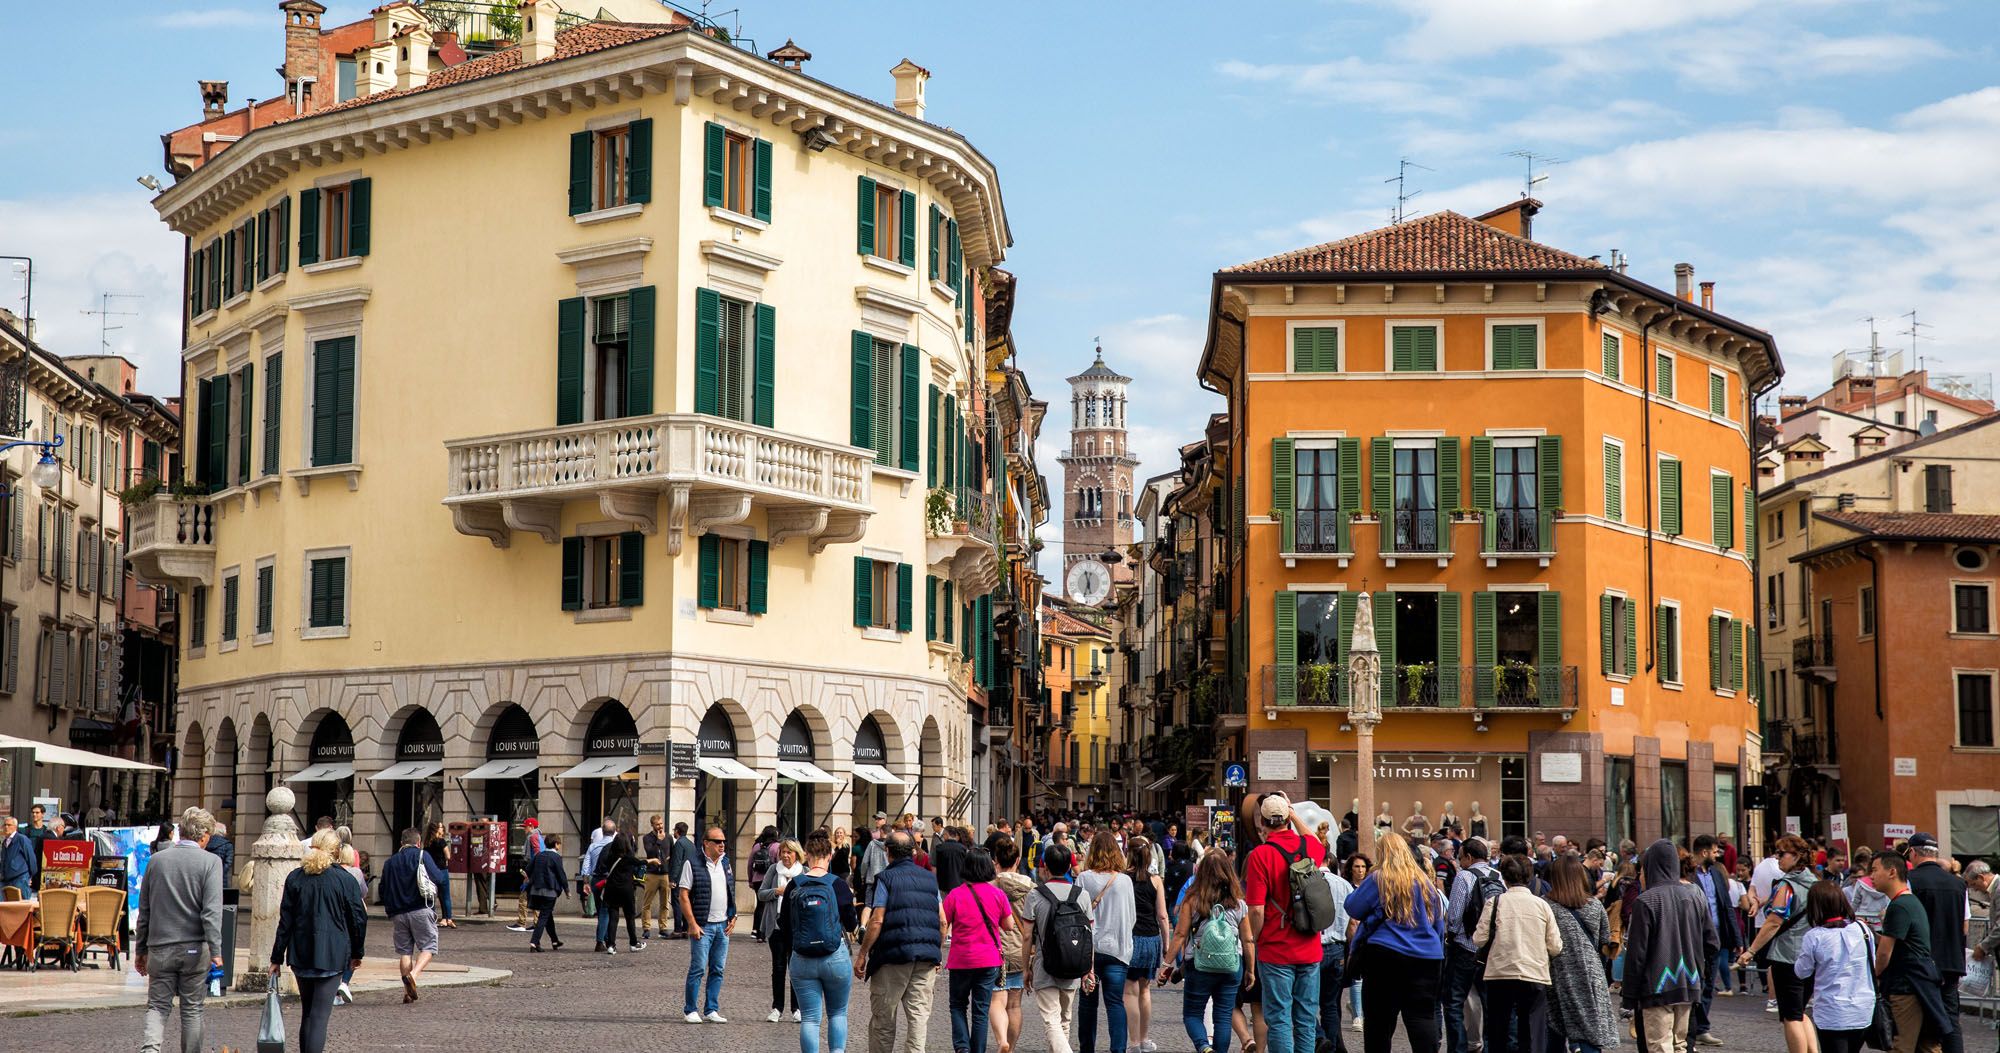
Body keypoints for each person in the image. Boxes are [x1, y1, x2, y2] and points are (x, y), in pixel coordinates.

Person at [1343, 831, 1446, 1053]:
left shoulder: (1379, 878)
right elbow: (1438, 925)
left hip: (1386, 954)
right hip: (1427, 958)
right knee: (1422, 1018)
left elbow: (1353, 907)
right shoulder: (1425, 883)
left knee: (1379, 1023)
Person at [1243, 792, 1327, 1053]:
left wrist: (1256, 939)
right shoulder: (1309, 847)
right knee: (1305, 1018)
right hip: (1310, 947)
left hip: (1276, 948)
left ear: (1264, 822)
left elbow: (1256, 909)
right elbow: (1315, 841)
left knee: (1278, 1017)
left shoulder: (1260, 855)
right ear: (1287, 819)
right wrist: (1293, 814)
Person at [137, 807, 225, 1053]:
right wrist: (216, 951)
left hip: (160, 946)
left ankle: (150, 1050)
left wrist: (140, 950)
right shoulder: (211, 862)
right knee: (193, 1008)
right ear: (204, 835)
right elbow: (211, 912)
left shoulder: (156, 861)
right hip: (195, 948)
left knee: (157, 1006)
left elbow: (145, 911)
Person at [270, 830, 367, 1053]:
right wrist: (357, 953)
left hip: (301, 953)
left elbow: (285, 922)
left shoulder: (295, 877)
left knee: (308, 1013)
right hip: (332, 954)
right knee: (319, 1016)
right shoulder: (345, 880)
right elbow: (358, 919)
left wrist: (276, 957)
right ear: (335, 851)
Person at [1625, 839, 1718, 1053]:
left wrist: (1629, 996)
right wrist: (1699, 971)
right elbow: (1712, 943)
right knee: (1680, 1046)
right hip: (1688, 984)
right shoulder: (1696, 895)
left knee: (1660, 1047)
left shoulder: (1646, 900)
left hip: (1656, 986)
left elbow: (1637, 954)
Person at [856, 830, 944, 1053]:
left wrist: (862, 954)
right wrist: (937, 951)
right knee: (918, 1019)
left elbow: (877, 920)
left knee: (883, 1020)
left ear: (888, 852)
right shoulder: (930, 879)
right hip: (925, 957)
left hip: (892, 956)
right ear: (913, 852)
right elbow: (942, 921)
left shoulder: (886, 878)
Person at [1160, 850, 1254, 1053]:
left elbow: (1179, 935)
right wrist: (1251, 970)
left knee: (1192, 1014)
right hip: (1231, 965)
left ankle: (1203, 1046)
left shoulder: (1192, 901)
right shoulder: (1239, 904)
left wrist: (1166, 966)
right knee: (1223, 1015)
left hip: (1199, 965)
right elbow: (1248, 940)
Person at [1735, 836, 1817, 1053]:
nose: (1778, 858)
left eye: (1782, 854)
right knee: (1800, 1012)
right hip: (1811, 953)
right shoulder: (1816, 883)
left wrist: (1751, 950)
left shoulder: (1787, 886)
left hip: (1787, 954)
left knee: (1790, 1016)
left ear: (1797, 856)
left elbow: (1773, 922)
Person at [1472, 854, 1561, 1053]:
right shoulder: (1542, 905)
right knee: (1532, 1031)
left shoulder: (1494, 903)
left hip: (1500, 971)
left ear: (1504, 877)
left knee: (1499, 1028)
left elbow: (1478, 939)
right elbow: (1555, 946)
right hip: (1534, 972)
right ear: (1530, 877)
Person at [1870, 850, 1955, 1053]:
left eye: (1874, 870)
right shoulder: (1910, 901)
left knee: (1902, 1046)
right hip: (1923, 982)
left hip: (1906, 986)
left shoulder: (1899, 905)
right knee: (1927, 1044)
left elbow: (1884, 953)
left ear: (1892, 872)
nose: (1871, 876)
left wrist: (1874, 976)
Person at [789, 829, 861, 1053]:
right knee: (838, 1012)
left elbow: (785, 924)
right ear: (830, 855)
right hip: (834, 956)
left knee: (810, 1018)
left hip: (802, 958)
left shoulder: (795, 884)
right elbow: (850, 924)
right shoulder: (838, 885)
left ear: (806, 856)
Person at [944, 847, 1017, 1053]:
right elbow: (1009, 925)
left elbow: (944, 922)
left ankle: (962, 1048)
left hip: (961, 959)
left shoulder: (955, 895)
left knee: (957, 1005)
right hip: (989, 959)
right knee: (981, 1009)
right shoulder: (998, 894)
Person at [1790, 878, 1876, 1053]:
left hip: (1832, 1011)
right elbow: (1872, 962)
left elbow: (1801, 971)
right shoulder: (1862, 929)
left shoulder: (1815, 936)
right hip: (1863, 1007)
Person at [1902, 833, 1969, 1053]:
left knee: (1919, 1019)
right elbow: (1965, 926)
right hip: (1951, 960)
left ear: (1912, 853)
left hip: (1920, 962)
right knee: (1950, 1019)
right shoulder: (1959, 884)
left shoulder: (1910, 880)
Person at [1022, 843, 1092, 1053]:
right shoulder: (1082, 895)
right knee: (1064, 1020)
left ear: (1045, 867)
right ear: (1070, 867)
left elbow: (1027, 936)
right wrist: (1090, 969)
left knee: (1051, 1020)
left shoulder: (1035, 895)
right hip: (1074, 963)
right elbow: (1089, 936)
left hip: (1046, 964)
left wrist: (1026, 968)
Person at [1543, 855, 1617, 1053]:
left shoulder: (1546, 905)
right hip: (1590, 975)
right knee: (1589, 1034)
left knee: (1554, 1033)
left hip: (1556, 974)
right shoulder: (1594, 905)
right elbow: (1604, 940)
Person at [1075, 830, 1137, 1053]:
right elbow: (1132, 918)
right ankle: (1118, 1049)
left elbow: (1078, 914)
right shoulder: (1124, 881)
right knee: (1115, 1003)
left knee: (1087, 1004)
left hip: (1088, 950)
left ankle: (1087, 1049)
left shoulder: (1083, 878)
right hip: (1116, 949)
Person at [1442, 836, 1499, 1053]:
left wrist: (1452, 936)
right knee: (1489, 1003)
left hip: (1465, 947)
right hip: (1490, 949)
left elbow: (1454, 916)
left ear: (1468, 857)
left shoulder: (1464, 876)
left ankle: (1458, 1048)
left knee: (1454, 1002)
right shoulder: (1498, 875)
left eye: (1460, 857)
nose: (1459, 861)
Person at [379, 827, 449, 1004]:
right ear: (419, 843)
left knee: (404, 952)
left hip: (398, 913)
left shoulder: (390, 862)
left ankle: (407, 993)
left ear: (401, 843)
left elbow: (382, 889)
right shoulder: (422, 855)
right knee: (429, 946)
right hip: (420, 908)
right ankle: (413, 975)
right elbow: (439, 878)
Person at [1686, 835, 1741, 1047]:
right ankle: (1690, 1031)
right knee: (1695, 983)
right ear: (1704, 852)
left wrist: (1736, 938)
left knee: (1709, 983)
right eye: (1715, 850)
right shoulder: (1689, 875)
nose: (1718, 854)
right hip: (1696, 937)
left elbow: (1727, 906)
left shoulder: (1717, 874)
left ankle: (1702, 1029)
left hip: (1716, 937)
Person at [680, 825, 738, 1023]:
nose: (722, 845)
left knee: (718, 969)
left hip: (722, 925)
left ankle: (711, 1008)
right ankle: (690, 1009)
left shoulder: (726, 863)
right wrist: (692, 923)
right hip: (703, 925)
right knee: (697, 968)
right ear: (706, 843)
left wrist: (734, 915)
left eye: (723, 841)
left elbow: (731, 890)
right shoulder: (693, 863)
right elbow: (683, 895)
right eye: (717, 841)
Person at [1122, 837, 1169, 1053]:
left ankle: (1133, 1043)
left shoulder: (1122, 879)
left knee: (1130, 991)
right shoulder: (1156, 880)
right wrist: (1167, 944)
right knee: (1145, 990)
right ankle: (1144, 1038)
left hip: (1129, 938)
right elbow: (1162, 915)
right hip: (1151, 939)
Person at [994, 837, 1036, 1053]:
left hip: (995, 951)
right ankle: (1011, 1047)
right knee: (1015, 1004)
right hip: (1022, 950)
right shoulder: (1032, 889)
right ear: (1018, 860)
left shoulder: (990, 887)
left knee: (996, 1001)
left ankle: (1001, 1040)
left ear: (995, 861)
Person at [1315, 840, 1356, 1053]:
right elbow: (1353, 924)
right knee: (1330, 1005)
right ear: (1330, 860)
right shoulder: (1344, 884)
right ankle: (1329, 1047)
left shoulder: (1309, 881)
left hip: (1314, 949)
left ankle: (1319, 1037)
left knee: (1305, 1001)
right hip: (1338, 949)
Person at [760, 839, 807, 1021]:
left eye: (789, 852)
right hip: (777, 925)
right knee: (778, 968)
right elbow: (761, 893)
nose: (785, 855)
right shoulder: (773, 870)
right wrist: (777, 892)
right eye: (783, 852)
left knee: (796, 968)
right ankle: (777, 1008)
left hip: (796, 927)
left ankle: (797, 1008)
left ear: (796, 854)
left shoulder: (804, 873)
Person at [594, 826, 643, 953]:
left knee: (613, 917)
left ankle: (611, 945)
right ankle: (633, 943)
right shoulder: (629, 857)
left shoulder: (610, 855)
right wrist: (653, 861)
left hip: (612, 888)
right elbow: (640, 863)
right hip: (626, 889)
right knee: (629, 917)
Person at [1340, 854, 1373, 1032]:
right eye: (1356, 867)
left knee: (1366, 978)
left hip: (1369, 936)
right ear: (1350, 869)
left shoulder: (1370, 887)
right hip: (1351, 937)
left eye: (1363, 867)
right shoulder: (1347, 888)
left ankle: (1358, 1007)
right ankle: (1358, 1016)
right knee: (1356, 978)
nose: (1360, 870)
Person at [333, 843, 368, 1003]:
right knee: (352, 948)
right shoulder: (356, 872)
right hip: (353, 912)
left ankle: (336, 985)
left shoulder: (331, 871)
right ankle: (345, 983)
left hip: (336, 913)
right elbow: (363, 892)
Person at [525, 833, 566, 951]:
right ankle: (534, 942)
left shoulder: (538, 855)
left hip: (535, 891)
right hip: (549, 891)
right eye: (559, 844)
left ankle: (554, 941)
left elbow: (528, 869)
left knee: (547, 915)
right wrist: (567, 889)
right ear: (556, 844)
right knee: (543, 917)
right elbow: (561, 874)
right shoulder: (556, 857)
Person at [642, 815, 673, 940]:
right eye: (657, 824)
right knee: (647, 903)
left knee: (664, 903)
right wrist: (659, 841)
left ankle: (663, 928)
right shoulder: (647, 838)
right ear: (652, 825)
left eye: (661, 824)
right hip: (652, 874)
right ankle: (646, 928)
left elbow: (672, 852)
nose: (660, 826)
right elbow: (650, 853)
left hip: (665, 874)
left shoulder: (669, 837)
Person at [752, 824, 782, 941]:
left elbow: (750, 864)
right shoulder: (777, 847)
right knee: (769, 906)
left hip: (757, 879)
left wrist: (750, 879)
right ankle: (764, 932)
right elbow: (779, 865)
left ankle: (758, 932)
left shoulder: (756, 846)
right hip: (770, 881)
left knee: (760, 905)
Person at [423, 821, 456, 928]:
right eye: (441, 827)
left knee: (432, 895)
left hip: (431, 871)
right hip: (442, 870)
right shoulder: (441, 841)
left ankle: (433, 918)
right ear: (436, 829)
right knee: (445, 895)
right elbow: (448, 856)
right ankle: (448, 918)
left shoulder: (427, 842)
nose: (443, 829)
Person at [668, 821, 696, 939]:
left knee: (677, 903)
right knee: (686, 903)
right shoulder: (691, 844)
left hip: (680, 878)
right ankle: (685, 929)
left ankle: (677, 930)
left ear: (677, 831)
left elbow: (677, 863)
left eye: (674, 830)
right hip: (689, 879)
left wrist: (672, 879)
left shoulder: (679, 844)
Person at [0, 816, 33, 898]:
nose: (6, 827)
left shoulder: (22, 839)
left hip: (20, 879)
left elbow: (31, 859)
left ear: (15, 827)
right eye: (5, 825)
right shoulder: (5, 842)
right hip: (6, 879)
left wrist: (30, 876)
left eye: (9, 825)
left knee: (22, 906)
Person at [204, 820, 236, 905]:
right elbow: (228, 863)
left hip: (206, 875)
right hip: (222, 878)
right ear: (224, 832)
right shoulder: (228, 845)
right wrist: (220, 872)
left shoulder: (206, 843)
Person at [936, 824, 971, 897]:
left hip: (943, 884)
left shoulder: (939, 848)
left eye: (943, 835)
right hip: (959, 884)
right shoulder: (963, 849)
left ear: (946, 835)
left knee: (945, 906)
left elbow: (934, 866)